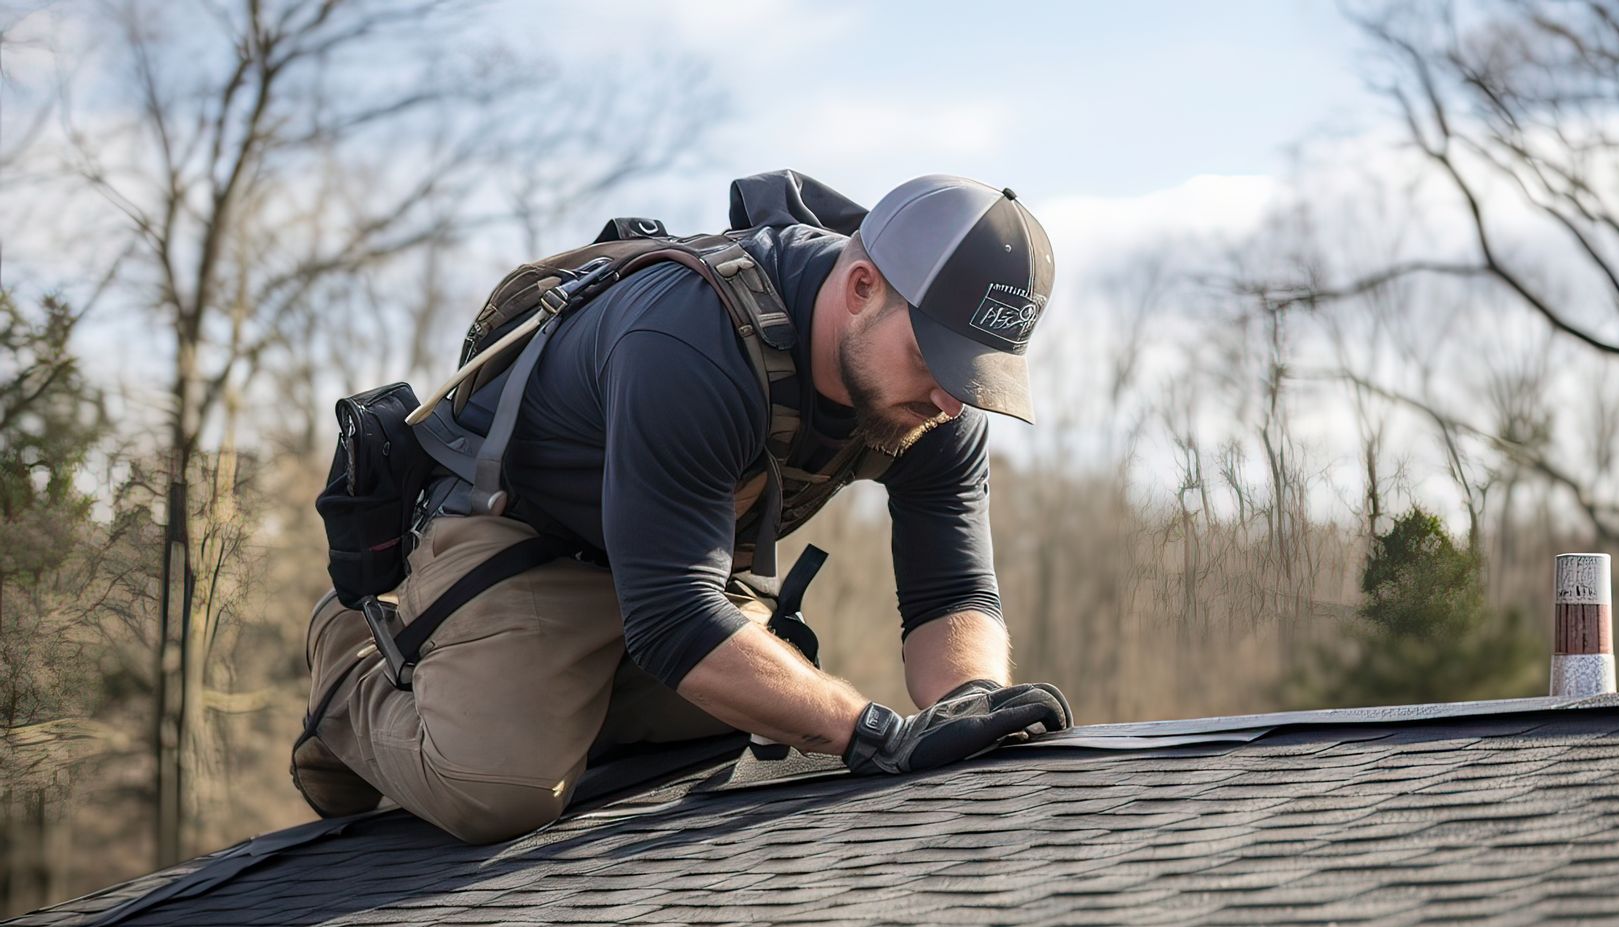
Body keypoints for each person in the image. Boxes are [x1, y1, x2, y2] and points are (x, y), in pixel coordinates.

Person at [295, 172, 1073, 843]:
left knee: (758, 716)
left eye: (974, 373)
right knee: (499, 789)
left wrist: (970, 705)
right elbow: (675, 622)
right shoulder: (694, 339)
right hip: (522, 536)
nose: (950, 395)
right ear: (862, 288)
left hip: (675, 558)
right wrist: (874, 733)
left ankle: (543, 697)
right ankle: (351, 661)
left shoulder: (937, 401)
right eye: (934, 358)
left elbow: (952, 595)